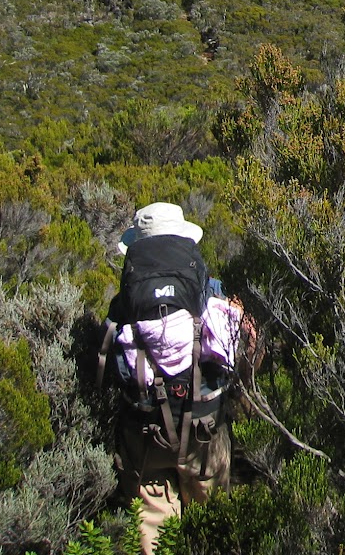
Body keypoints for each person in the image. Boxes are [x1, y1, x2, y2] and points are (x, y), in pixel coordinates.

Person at [102, 202, 237, 554]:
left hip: (146, 434)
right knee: (215, 522)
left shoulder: (123, 303)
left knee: (154, 528)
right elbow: (231, 355)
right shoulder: (208, 290)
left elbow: (113, 368)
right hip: (203, 429)